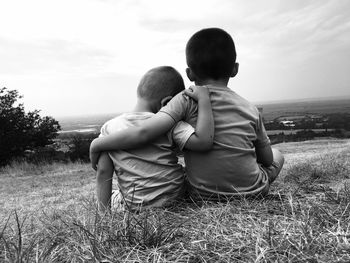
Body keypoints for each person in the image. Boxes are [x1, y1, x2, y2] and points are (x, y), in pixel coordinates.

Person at [90, 28, 284, 202]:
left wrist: (98, 142)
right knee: (278, 155)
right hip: (253, 191)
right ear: (235, 69)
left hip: (200, 193)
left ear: (190, 74)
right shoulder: (250, 109)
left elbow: (144, 132)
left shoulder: (183, 101)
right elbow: (266, 160)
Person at [95, 66, 214, 211]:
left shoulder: (109, 129)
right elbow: (202, 142)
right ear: (167, 103)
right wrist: (204, 102)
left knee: (115, 197)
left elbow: (103, 172)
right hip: (175, 198)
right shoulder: (171, 124)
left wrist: (103, 216)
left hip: (135, 205)